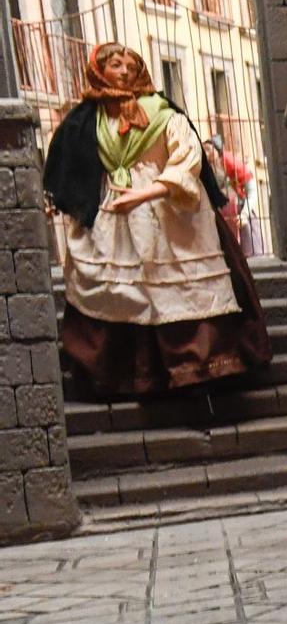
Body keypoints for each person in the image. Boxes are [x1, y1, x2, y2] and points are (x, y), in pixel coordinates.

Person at [43, 42, 270, 398]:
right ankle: (122, 373)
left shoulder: (163, 113)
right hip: (111, 216)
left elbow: (186, 158)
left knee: (175, 282)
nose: (122, 71)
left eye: (129, 64)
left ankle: (197, 370)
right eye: (114, 65)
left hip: (168, 212)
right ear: (99, 71)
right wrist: (64, 198)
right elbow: (71, 162)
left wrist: (150, 192)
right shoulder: (87, 119)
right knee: (121, 288)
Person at [205, 135, 253, 246]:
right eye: (203, 150)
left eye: (208, 149)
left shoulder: (232, 163)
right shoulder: (211, 167)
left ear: (218, 151)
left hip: (242, 209)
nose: (206, 153)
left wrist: (245, 213)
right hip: (226, 213)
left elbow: (251, 191)